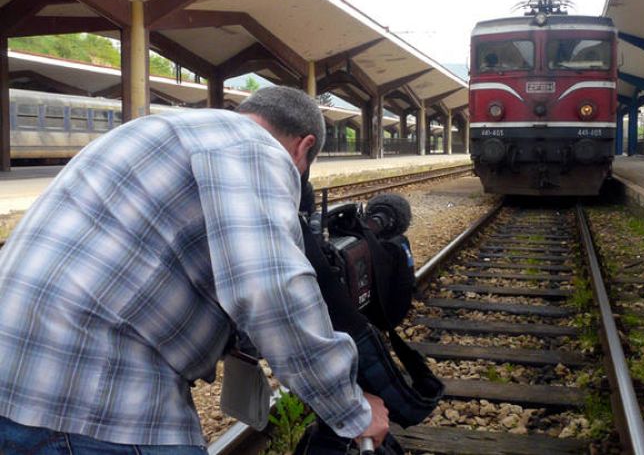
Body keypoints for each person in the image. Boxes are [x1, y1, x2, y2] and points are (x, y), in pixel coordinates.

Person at [0, 86, 388, 454]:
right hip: (100, 399)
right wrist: (350, 410)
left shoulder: (157, 130)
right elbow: (270, 289)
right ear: (304, 148)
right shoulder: (255, 147)